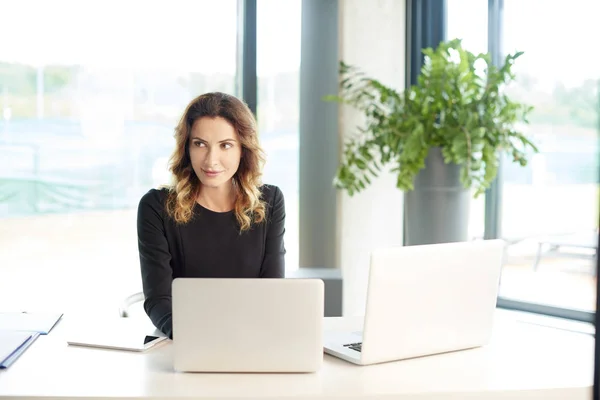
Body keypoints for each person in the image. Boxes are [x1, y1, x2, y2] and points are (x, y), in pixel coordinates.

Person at [136, 92, 286, 338]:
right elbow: (159, 300)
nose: (211, 160)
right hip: (187, 342)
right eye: (200, 144)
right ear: (187, 148)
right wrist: (200, 337)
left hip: (250, 341)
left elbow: (271, 292)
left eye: (225, 145)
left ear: (242, 149)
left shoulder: (269, 202)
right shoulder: (156, 207)